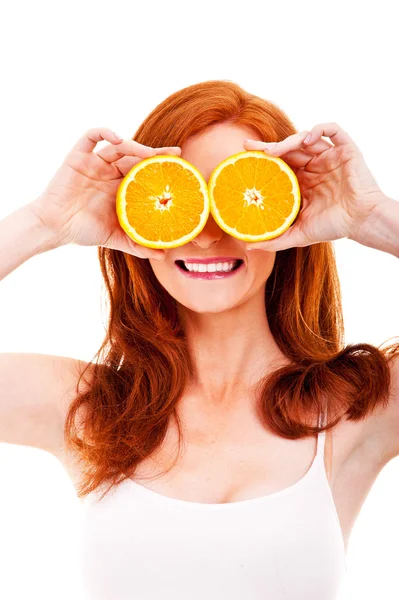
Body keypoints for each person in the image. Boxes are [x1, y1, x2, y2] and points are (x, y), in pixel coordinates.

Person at [1, 79, 399, 600]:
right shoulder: (85, 407)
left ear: (290, 208)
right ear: (135, 212)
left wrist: (374, 216)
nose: (207, 233)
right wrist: (41, 222)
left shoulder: (359, 406)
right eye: (181, 198)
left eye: (237, 200)